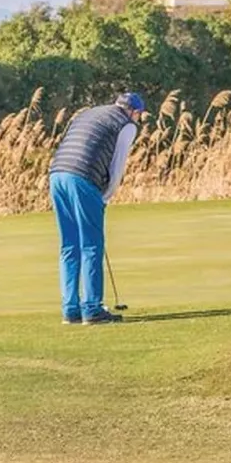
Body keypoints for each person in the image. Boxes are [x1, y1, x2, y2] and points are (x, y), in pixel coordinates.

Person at [48, 92, 144, 325]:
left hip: (57, 175)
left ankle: (70, 310)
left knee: (69, 244)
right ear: (135, 112)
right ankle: (92, 308)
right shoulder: (127, 124)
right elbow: (117, 164)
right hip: (82, 177)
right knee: (92, 244)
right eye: (139, 116)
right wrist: (106, 197)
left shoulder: (89, 112)